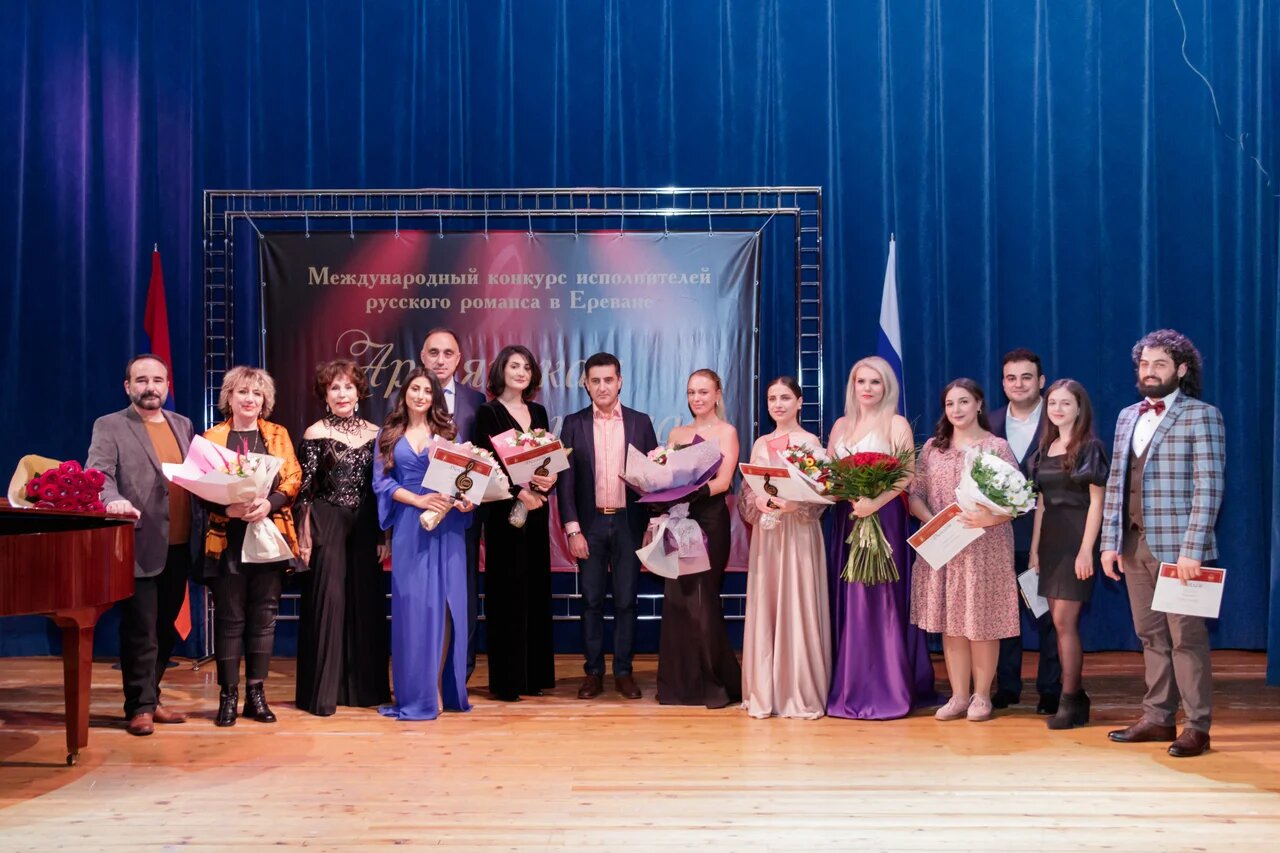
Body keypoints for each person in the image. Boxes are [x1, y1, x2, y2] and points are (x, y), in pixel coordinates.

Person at [1101, 330, 1225, 758]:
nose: (1150, 371)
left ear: (1181, 369)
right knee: (1150, 636)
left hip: (1180, 551)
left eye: (1160, 364)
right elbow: (1117, 483)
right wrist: (1109, 543)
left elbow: (1209, 486)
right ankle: (1157, 717)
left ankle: (1197, 726)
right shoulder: (1126, 416)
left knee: (1186, 639)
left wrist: (1193, 549)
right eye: (1144, 364)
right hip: (1133, 545)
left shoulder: (1201, 415)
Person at [86, 354, 199, 736]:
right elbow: (98, 475)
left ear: (167, 385)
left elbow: (195, 477)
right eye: (142, 380)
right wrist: (113, 500)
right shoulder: (110, 425)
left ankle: (152, 696)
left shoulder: (182, 424)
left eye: (157, 380)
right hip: (138, 542)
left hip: (180, 544)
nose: (151, 387)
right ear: (128, 386)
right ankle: (139, 707)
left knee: (165, 628)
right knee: (141, 630)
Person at [826, 357, 937, 720]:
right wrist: (844, 494)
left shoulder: (897, 423)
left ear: (887, 386)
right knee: (852, 600)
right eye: (861, 381)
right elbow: (829, 474)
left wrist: (874, 503)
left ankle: (890, 686)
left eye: (875, 382)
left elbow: (906, 474)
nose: (868, 388)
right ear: (852, 385)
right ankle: (851, 684)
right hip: (848, 518)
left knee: (883, 599)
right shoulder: (841, 425)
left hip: (886, 519)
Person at [908, 379, 1019, 722]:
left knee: (981, 622)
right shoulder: (932, 449)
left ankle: (981, 696)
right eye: (950, 404)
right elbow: (915, 495)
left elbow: (1017, 502)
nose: (956, 410)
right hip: (944, 546)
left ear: (979, 404)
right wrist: (935, 523)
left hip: (986, 546)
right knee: (952, 623)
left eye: (964, 402)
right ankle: (958, 696)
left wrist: (988, 517)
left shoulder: (997, 447)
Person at [201, 366, 302, 727]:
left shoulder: (277, 434)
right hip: (227, 538)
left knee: (264, 617)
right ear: (229, 397)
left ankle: (256, 695)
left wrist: (269, 503)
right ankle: (228, 696)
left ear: (265, 400)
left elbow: (293, 478)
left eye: (257, 393)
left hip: (268, 534)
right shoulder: (212, 437)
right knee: (230, 619)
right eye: (242, 392)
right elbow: (198, 485)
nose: (249, 399)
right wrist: (225, 508)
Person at [373, 368, 474, 720]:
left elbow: (464, 482)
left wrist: (466, 500)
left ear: (435, 397)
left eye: (427, 391)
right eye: (415, 389)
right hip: (409, 526)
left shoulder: (449, 433)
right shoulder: (388, 434)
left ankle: (436, 687)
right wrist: (417, 500)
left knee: (444, 607)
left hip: (447, 526)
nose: (420, 396)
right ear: (404, 393)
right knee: (413, 607)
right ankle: (414, 691)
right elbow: (382, 484)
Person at [557, 352, 658, 700]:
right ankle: (593, 673)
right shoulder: (573, 424)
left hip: (629, 524)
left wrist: (652, 523)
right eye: (595, 381)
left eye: (608, 380)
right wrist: (573, 529)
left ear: (620, 382)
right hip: (590, 525)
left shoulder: (641, 422)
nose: (602, 387)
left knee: (627, 602)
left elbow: (654, 479)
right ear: (586, 384)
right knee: (591, 602)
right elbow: (565, 482)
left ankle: (624, 673)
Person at [294, 359, 390, 716]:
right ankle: (321, 694)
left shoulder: (376, 433)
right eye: (334, 387)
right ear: (325, 395)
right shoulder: (314, 433)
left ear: (359, 392)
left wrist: (382, 534)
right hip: (326, 519)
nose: (342, 393)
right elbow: (304, 492)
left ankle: (366, 691)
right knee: (328, 602)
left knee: (366, 603)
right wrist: (304, 535)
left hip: (365, 524)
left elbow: (379, 490)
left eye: (348, 386)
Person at [737, 376, 830, 719]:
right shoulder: (761, 442)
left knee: (797, 602)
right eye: (772, 398)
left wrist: (797, 505)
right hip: (768, 535)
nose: (778, 404)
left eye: (785, 398)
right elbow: (748, 491)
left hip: (799, 533)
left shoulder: (810, 442)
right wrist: (758, 501)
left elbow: (821, 495)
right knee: (768, 603)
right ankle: (766, 691)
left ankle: (797, 690)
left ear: (800, 402)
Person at [470, 345, 557, 702]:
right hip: (505, 512)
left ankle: (533, 676)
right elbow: (485, 466)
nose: (521, 372)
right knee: (507, 592)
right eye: (514, 366)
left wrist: (548, 480)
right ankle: (508, 681)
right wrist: (518, 492)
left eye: (526, 367)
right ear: (501, 371)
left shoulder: (538, 411)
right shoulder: (488, 412)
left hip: (537, 510)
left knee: (535, 589)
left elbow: (547, 459)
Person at [656, 369, 743, 708]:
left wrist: (692, 493)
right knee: (677, 598)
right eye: (692, 392)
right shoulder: (677, 433)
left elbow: (724, 482)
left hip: (709, 521)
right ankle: (679, 685)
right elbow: (665, 475)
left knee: (703, 598)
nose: (697, 398)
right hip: (679, 519)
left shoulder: (727, 432)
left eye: (704, 392)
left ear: (717, 394)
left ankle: (714, 684)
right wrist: (662, 493)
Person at [1028, 379, 1109, 730]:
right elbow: (1042, 504)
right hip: (1050, 543)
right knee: (1056, 622)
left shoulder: (1091, 448)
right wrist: (1035, 550)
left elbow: (1097, 503)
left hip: (1077, 540)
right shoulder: (1045, 448)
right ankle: (1076, 699)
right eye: (1052, 403)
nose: (1057, 409)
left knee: (1064, 622)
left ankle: (1070, 698)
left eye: (1065, 403)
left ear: (1079, 408)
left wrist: (1086, 550)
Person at [988, 348, 1062, 714]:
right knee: (1003, 615)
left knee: (1048, 617)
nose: (1018, 384)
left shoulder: (1060, 418)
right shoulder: (989, 423)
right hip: (997, 537)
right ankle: (1007, 686)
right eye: (1011, 378)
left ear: (1041, 381)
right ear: (1003, 383)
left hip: (1048, 538)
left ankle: (1051, 689)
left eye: (1026, 377)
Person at [421, 328, 486, 681]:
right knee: (423, 593)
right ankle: (425, 669)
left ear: (459, 359)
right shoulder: (407, 398)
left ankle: (461, 669)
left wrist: (470, 497)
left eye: (448, 353)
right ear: (422, 357)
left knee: (463, 592)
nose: (440, 360)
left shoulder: (476, 401)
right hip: (419, 512)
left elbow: (484, 459)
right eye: (434, 352)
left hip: (463, 515)